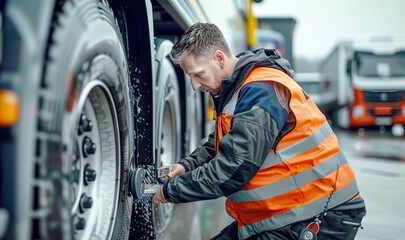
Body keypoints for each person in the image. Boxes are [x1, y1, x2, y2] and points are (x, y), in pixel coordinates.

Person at [152, 22, 366, 240]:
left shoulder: (260, 90)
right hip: (289, 213)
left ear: (219, 58)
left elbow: (234, 168)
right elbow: (222, 145)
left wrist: (171, 191)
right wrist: (186, 167)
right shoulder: (239, 89)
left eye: (198, 74)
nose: (194, 86)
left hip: (319, 214)